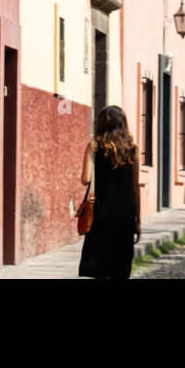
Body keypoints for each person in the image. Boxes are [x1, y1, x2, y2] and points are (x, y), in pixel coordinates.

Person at [78, 105, 141, 279]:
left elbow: (85, 179)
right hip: (125, 214)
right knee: (120, 267)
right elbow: (135, 187)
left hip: (101, 213)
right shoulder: (133, 150)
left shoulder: (94, 147)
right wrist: (138, 220)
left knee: (100, 266)